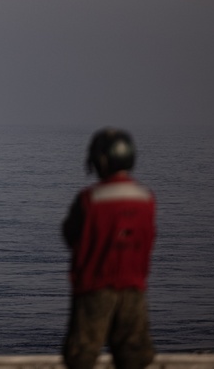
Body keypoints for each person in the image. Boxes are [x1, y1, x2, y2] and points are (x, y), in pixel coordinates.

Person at [61, 128, 156, 369]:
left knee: (81, 354)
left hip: (95, 287)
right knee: (134, 356)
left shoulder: (90, 199)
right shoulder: (145, 198)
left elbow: (70, 234)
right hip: (134, 288)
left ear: (100, 160)